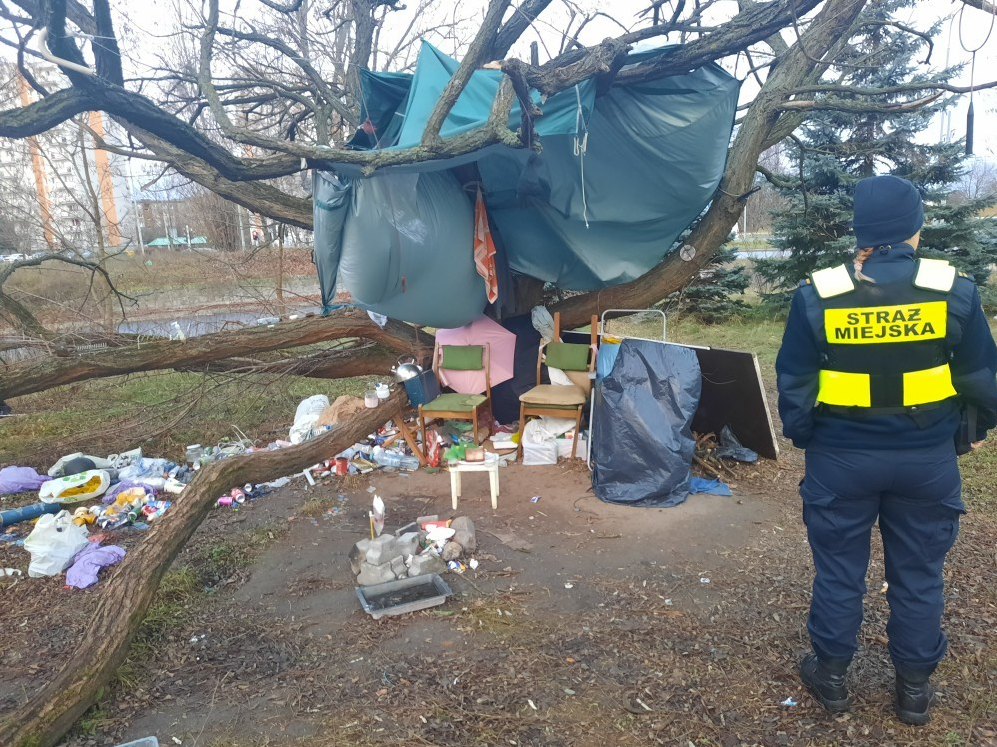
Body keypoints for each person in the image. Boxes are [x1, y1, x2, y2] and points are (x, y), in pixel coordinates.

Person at [775, 174, 997, 725]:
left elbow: (794, 382)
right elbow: (983, 381)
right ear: (915, 228)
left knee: (839, 571)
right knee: (919, 574)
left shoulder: (819, 293)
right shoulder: (954, 290)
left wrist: (809, 437)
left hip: (840, 459)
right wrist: (967, 433)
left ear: (860, 233)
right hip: (926, 460)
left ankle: (830, 679)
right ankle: (914, 692)